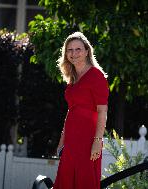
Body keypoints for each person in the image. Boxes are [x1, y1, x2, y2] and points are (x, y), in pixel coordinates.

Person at [53, 32, 109, 189]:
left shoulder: (96, 76)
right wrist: (62, 140)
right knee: (66, 179)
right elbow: (71, 111)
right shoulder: (72, 78)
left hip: (88, 137)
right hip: (72, 137)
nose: (74, 53)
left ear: (87, 51)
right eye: (69, 50)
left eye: (78, 49)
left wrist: (98, 141)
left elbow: (102, 111)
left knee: (84, 180)